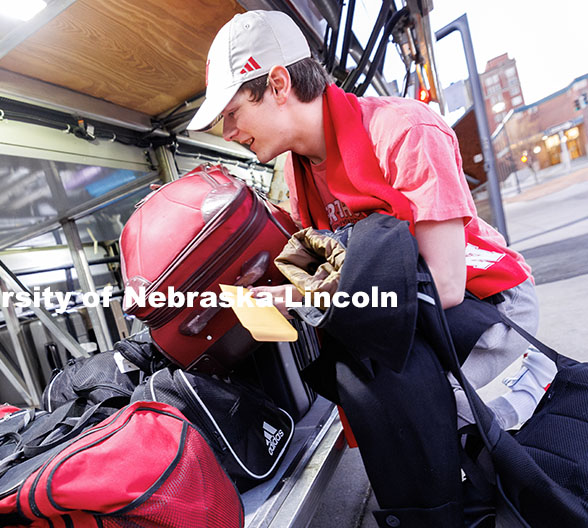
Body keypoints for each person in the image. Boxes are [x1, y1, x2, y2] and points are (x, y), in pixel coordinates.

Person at [186, 10, 554, 430]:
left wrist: (300, 300)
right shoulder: (297, 170)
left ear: (278, 84)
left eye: (231, 113)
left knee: (414, 402)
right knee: (382, 402)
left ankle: (532, 387)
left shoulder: (404, 130)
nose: (228, 132)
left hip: (487, 300)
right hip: (414, 308)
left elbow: (445, 284)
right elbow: (327, 267)